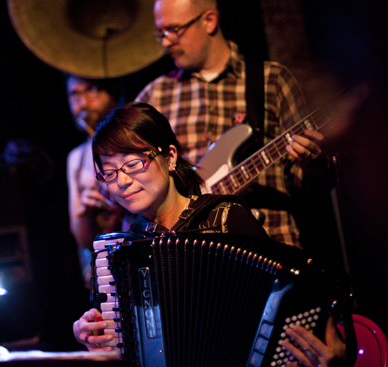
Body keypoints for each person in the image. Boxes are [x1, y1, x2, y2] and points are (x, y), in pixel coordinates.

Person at [72, 102, 346, 367]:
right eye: (109, 172)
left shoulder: (226, 217)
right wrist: (94, 334)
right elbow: (121, 347)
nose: (121, 181)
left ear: (170, 157)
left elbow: (288, 293)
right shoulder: (120, 255)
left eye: (133, 164)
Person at [135, 0, 336, 247]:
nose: (166, 42)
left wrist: (313, 163)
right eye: (160, 33)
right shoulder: (154, 96)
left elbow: (315, 185)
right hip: (187, 254)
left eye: (173, 30)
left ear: (209, 21)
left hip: (268, 243)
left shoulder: (271, 80)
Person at [66, 75, 125, 287]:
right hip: (100, 275)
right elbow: (80, 237)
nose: (82, 101)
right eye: (74, 95)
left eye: (90, 90)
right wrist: (84, 212)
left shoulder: (129, 143)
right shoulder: (75, 158)